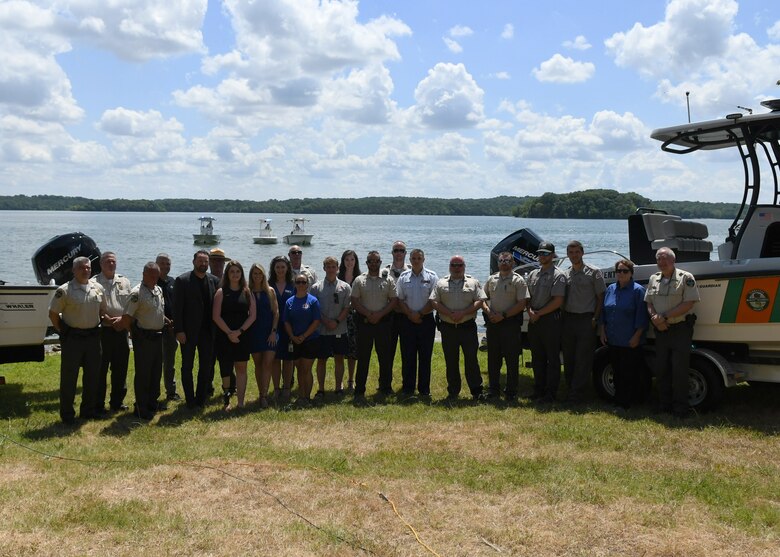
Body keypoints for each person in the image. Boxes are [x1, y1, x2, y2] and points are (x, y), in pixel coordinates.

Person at [48, 256, 107, 423]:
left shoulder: (98, 288)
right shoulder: (65, 290)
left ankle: (88, 411)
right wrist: (64, 332)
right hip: (73, 339)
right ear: (74, 270)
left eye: (88, 267)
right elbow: (52, 314)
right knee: (69, 378)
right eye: (81, 268)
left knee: (92, 376)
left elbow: (102, 311)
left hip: (93, 338)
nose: (85, 270)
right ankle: (67, 414)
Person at [645, 247, 700, 417]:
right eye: (658, 259)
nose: (661, 262)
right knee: (661, 369)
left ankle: (681, 408)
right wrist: (655, 318)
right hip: (661, 330)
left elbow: (689, 303)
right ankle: (664, 405)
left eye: (665, 259)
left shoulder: (686, 278)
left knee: (679, 370)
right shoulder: (654, 278)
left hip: (680, 330)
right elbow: (649, 302)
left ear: (673, 260)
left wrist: (664, 317)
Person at [430, 255, 485, 401]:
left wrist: (463, 313)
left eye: (459, 265)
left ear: (464, 266)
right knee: (451, 361)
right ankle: (453, 391)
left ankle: (476, 391)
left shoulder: (473, 282)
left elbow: (480, 300)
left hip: (468, 327)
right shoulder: (441, 283)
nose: (456, 268)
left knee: (471, 360)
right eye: (453, 265)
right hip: (448, 328)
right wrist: (449, 313)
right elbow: (434, 301)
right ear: (449, 266)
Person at [600, 259, 649, 410]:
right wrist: (602, 330)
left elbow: (642, 316)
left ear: (631, 273)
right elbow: (604, 311)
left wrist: (637, 336)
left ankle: (626, 403)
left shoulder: (637, 290)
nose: (621, 274)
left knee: (629, 373)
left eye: (625, 271)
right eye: (619, 271)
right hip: (613, 338)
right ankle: (618, 400)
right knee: (617, 372)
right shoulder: (611, 289)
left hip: (630, 340)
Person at [174, 249, 219, 408]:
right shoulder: (182, 280)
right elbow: (177, 308)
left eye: (206, 261)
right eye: (200, 261)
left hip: (208, 332)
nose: (203, 264)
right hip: (188, 332)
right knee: (187, 366)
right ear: (194, 262)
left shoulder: (214, 281)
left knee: (206, 366)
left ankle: (201, 398)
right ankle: (190, 399)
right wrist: (179, 330)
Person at [562, 240, 606, 403]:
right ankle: (570, 389)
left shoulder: (594, 272)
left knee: (583, 358)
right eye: (571, 253)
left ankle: (577, 395)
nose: (574, 255)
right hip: (569, 320)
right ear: (567, 255)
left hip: (586, 320)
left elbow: (601, 297)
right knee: (569, 357)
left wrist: (595, 318)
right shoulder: (566, 274)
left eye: (577, 252)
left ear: (582, 253)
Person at [121, 262, 166, 420]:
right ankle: (140, 407)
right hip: (144, 339)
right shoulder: (136, 293)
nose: (154, 278)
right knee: (143, 374)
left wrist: (166, 321)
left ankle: (152, 403)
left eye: (156, 275)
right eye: (151, 275)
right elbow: (127, 318)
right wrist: (134, 334)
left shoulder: (158, 290)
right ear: (143, 274)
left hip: (157, 337)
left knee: (155, 372)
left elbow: (156, 311)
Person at [350, 250, 397, 402]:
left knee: (385, 357)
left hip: (383, 324)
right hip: (365, 324)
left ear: (380, 262)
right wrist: (369, 314)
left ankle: (385, 387)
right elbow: (355, 301)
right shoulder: (359, 280)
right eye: (370, 261)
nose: (374, 264)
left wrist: (380, 314)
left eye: (376, 261)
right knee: (363, 357)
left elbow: (393, 301)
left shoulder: (388, 280)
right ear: (366, 263)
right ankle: (359, 390)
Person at [482, 251, 527, 402]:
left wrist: (504, 315)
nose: (504, 263)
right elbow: (482, 298)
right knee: (493, 359)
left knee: (511, 360)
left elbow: (522, 304)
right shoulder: (492, 279)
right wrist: (488, 312)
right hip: (494, 323)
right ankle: (493, 390)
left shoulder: (518, 280)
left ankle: (511, 391)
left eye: (507, 261)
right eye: (501, 260)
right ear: (498, 262)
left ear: (513, 263)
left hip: (510, 324)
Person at [526, 241, 566, 403]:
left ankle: (550, 393)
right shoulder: (533, 274)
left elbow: (558, 301)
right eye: (540, 253)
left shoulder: (558, 275)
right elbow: (527, 297)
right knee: (537, 358)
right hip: (534, 319)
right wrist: (529, 311)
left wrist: (539, 313)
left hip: (550, 320)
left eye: (545, 253)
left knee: (552, 359)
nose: (542, 256)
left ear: (552, 255)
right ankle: (538, 390)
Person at [213, 260, 256, 410]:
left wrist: (240, 331)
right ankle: (226, 401)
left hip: (242, 336)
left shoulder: (247, 291)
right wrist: (229, 333)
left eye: (238, 271)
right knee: (225, 368)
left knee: (241, 368)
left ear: (241, 273)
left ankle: (241, 402)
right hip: (224, 336)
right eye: (232, 272)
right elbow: (216, 316)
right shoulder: (221, 292)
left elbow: (252, 315)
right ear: (227, 274)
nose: (235, 274)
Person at [395, 248, 438, 399]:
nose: (416, 261)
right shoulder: (403, 277)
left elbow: (434, 300)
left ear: (423, 259)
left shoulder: (432, 276)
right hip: (407, 320)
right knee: (408, 356)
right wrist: (409, 314)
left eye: (419, 258)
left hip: (425, 320)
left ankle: (424, 389)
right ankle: (408, 388)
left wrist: (419, 314)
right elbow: (399, 299)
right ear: (410, 260)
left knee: (425, 356)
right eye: (413, 258)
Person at [92, 251, 131, 414]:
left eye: (114, 261)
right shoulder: (93, 282)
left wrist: (123, 321)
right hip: (103, 331)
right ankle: (98, 405)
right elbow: (94, 307)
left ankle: (117, 402)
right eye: (108, 261)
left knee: (120, 369)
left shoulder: (124, 281)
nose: (111, 264)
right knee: (100, 370)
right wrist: (108, 319)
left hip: (121, 331)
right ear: (101, 264)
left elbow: (129, 305)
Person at [311, 256, 352, 399]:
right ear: (324, 268)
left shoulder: (345, 287)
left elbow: (347, 307)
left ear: (338, 268)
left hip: (340, 329)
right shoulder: (316, 288)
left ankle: (338, 387)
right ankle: (321, 389)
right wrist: (326, 321)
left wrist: (336, 321)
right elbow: (314, 308)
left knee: (339, 359)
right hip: (322, 330)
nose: (330, 269)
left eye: (333, 267)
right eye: (328, 267)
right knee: (321, 360)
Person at [284, 273, 322, 408]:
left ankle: (307, 397)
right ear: (295, 284)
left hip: (310, 339)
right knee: (299, 368)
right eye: (298, 282)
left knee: (306, 369)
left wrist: (304, 336)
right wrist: (293, 336)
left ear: (307, 284)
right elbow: (286, 321)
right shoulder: (289, 301)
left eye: (303, 282)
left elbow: (316, 321)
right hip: (295, 340)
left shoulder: (312, 301)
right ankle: (301, 396)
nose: (301, 285)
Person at [248, 263, 279, 409]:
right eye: (255, 273)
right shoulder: (247, 292)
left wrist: (273, 331)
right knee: (258, 364)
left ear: (264, 275)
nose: (257, 276)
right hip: (254, 333)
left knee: (268, 363)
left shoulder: (270, 291)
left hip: (269, 333)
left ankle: (264, 396)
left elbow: (276, 313)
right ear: (251, 275)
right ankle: (261, 392)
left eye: (259, 273)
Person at [383, 241, 412, 373]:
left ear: (405, 253)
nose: (399, 253)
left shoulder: (412, 270)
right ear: (392, 253)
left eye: (401, 250)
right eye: (396, 250)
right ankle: (385, 384)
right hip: (390, 315)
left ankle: (407, 385)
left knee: (407, 352)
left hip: (407, 315)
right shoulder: (384, 271)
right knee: (387, 351)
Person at [270, 255, 295, 403]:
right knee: (275, 358)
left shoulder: (293, 285)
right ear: (274, 269)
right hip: (273, 327)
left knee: (288, 359)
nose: (280, 270)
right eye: (277, 267)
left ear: (287, 269)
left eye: (283, 267)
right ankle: (276, 388)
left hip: (289, 327)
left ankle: (286, 388)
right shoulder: (268, 285)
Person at [156, 253, 180, 404]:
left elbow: (178, 303)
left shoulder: (174, 282)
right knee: (156, 362)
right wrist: (165, 320)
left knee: (170, 362)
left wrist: (175, 322)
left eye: (168, 264)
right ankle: (154, 393)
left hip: (172, 328)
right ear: (156, 264)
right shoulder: (152, 281)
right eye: (162, 263)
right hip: (157, 327)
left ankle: (171, 391)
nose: (165, 266)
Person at [338, 250, 361, 392]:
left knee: (353, 351)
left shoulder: (360, 278)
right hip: (340, 318)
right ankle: (339, 381)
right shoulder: (337, 276)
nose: (349, 262)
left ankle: (351, 380)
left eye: (352, 259)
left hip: (355, 318)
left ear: (355, 261)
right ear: (343, 261)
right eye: (347, 259)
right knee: (339, 351)